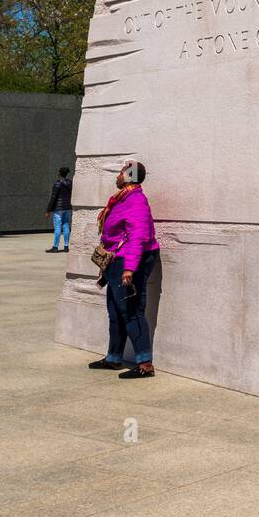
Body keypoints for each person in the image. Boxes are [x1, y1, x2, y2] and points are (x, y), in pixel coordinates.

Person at [88, 160, 159, 378]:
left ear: (129, 176)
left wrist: (129, 268)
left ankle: (145, 364)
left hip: (129, 261)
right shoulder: (122, 199)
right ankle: (114, 358)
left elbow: (138, 237)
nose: (117, 176)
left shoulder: (136, 201)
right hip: (116, 261)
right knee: (115, 311)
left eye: (121, 172)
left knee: (132, 311)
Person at [45, 166, 73, 252]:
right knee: (66, 226)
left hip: (58, 209)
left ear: (59, 173)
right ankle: (66, 246)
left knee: (57, 227)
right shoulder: (70, 183)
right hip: (68, 207)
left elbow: (53, 198)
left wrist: (48, 210)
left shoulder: (57, 183)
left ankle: (55, 247)